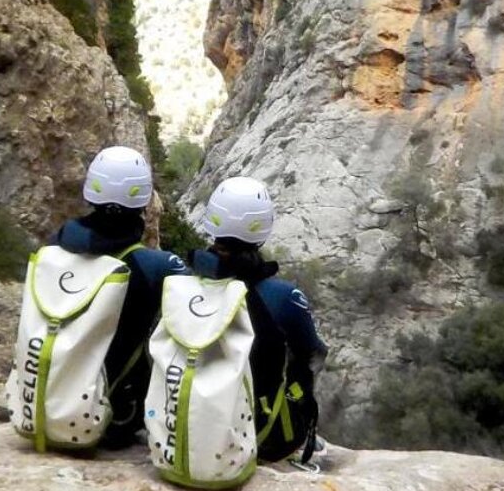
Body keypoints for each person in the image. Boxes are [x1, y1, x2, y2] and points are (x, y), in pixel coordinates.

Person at [50, 145, 187, 448]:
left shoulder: (52, 249)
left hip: (46, 401)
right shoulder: (157, 268)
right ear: (144, 202)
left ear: (90, 192)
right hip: (117, 418)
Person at [190, 176, 328, 464]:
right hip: (261, 436)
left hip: (183, 422)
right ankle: (289, 424)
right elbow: (313, 354)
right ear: (262, 229)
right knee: (301, 361)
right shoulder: (283, 296)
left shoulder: (180, 282)